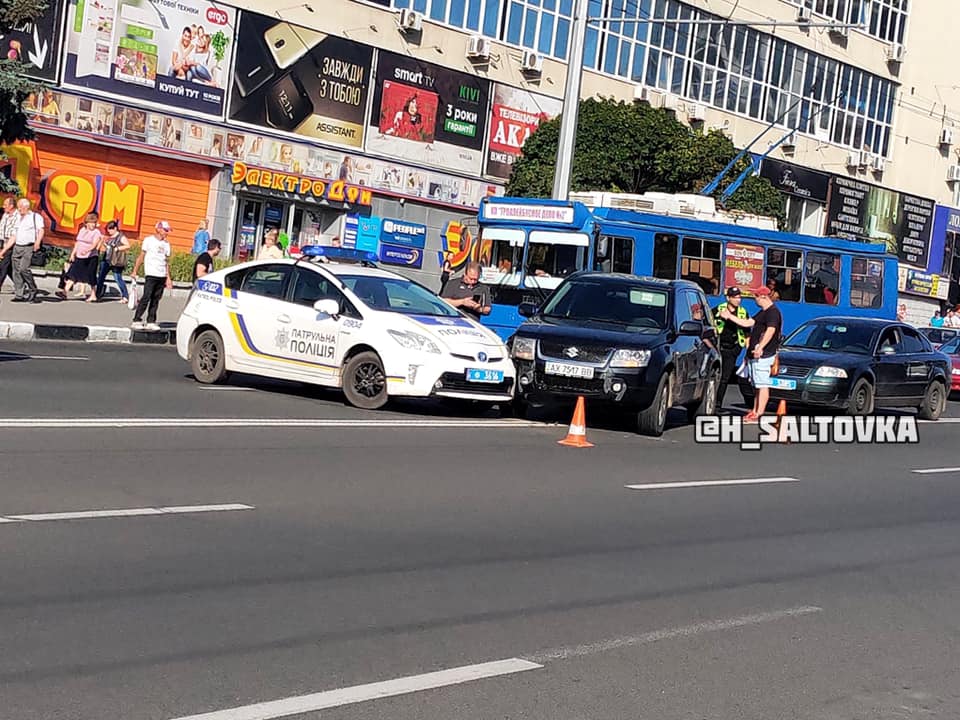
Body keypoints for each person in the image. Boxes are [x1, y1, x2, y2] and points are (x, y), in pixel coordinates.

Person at [720, 286, 782, 422]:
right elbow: (748, 323)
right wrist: (730, 317)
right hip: (755, 355)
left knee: (762, 384)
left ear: (763, 297)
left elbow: (771, 331)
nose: (755, 300)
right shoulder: (763, 312)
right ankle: (754, 410)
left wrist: (760, 347)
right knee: (757, 385)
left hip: (763, 355)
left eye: (756, 297)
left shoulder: (772, 313)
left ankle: (758, 413)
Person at [0, 198, 45, 303]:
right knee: (15, 271)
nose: (18, 209)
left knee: (23, 269)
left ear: (26, 207)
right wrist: (4, 250)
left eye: (20, 208)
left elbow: (41, 230)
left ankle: (32, 288)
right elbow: (14, 235)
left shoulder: (35, 217)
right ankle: (19, 294)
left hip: (28, 246)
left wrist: (37, 242)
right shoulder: (18, 218)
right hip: (17, 246)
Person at [131, 220, 173, 331]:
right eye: (165, 230)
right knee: (146, 297)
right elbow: (141, 256)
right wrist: (135, 270)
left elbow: (166, 261)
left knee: (156, 299)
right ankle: (137, 319)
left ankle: (151, 320)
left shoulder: (166, 244)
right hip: (151, 273)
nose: (166, 233)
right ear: (158, 229)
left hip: (161, 274)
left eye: (167, 231)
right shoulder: (149, 241)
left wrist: (168, 277)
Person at [714, 287, 749, 412]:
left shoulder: (743, 312)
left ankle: (718, 406)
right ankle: (710, 403)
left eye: (740, 297)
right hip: (718, 348)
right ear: (728, 298)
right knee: (714, 377)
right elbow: (710, 325)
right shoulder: (718, 309)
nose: (738, 300)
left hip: (732, 350)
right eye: (735, 297)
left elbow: (747, 333)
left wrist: (746, 351)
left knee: (725, 378)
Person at [59, 212, 102, 302]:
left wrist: (87, 250)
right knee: (73, 273)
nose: (92, 225)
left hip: (91, 257)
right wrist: (73, 253)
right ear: (86, 223)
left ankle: (93, 294)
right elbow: (78, 243)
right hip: (80, 256)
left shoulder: (96, 232)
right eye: (90, 223)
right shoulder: (82, 230)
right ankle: (64, 292)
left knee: (91, 275)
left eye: (94, 223)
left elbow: (95, 244)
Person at [95, 221, 131, 302]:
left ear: (115, 228)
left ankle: (125, 296)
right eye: (108, 230)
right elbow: (108, 247)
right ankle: (98, 294)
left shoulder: (120, 236)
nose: (109, 232)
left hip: (116, 260)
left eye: (110, 230)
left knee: (117, 278)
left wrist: (117, 248)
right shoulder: (110, 237)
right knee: (100, 277)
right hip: (107, 259)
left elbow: (127, 246)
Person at [0, 197, 18, 293]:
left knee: (3, 265)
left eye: (5, 205)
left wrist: (4, 249)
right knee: (8, 267)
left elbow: (14, 235)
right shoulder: (5, 215)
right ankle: (21, 284)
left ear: (11, 206)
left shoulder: (18, 216)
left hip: (11, 243)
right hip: (2, 241)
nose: (3, 207)